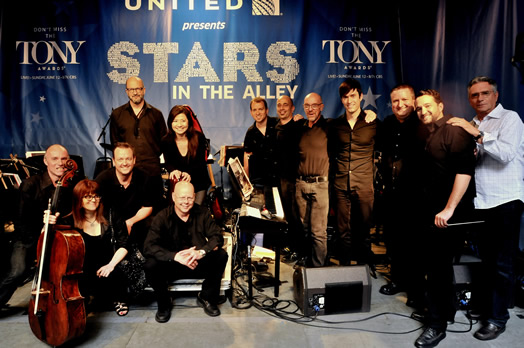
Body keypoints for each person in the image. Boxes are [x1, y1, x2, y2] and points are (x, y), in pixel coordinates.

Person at [447, 76, 523, 341]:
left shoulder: (509, 119)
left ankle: (498, 318)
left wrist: (477, 134)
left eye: (484, 93)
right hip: (481, 202)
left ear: (495, 95)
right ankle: (488, 308)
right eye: (474, 95)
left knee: (501, 264)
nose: (479, 99)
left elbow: (505, 154)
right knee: (487, 262)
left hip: (505, 201)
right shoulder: (472, 123)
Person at [413, 89, 476, 348]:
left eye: (427, 106)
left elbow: (464, 172)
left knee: (438, 269)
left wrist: (449, 209)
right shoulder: (428, 133)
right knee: (436, 267)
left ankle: (437, 326)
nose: (422, 111)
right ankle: (443, 312)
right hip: (433, 212)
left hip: (448, 215)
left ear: (440, 105)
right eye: (419, 108)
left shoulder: (454, 129)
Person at [0, 145, 77, 309]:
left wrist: (60, 221)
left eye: (64, 159)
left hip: (58, 237)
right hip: (29, 237)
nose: (60, 163)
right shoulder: (30, 185)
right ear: (45, 161)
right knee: (18, 271)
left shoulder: (72, 184)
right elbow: (20, 222)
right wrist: (41, 236)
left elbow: (75, 216)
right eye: (55, 159)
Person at [143, 181, 227, 322]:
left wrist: (201, 252)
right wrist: (174, 256)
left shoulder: (203, 213)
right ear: (174, 196)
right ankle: (164, 303)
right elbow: (148, 246)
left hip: (197, 263)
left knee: (221, 255)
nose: (186, 202)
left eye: (189, 198)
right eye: (182, 198)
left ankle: (207, 297)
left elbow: (217, 237)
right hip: (172, 265)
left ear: (194, 197)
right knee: (150, 265)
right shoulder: (162, 217)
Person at [47, 179, 130, 315]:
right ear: (78, 199)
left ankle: (118, 298)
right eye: (87, 196)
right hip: (82, 269)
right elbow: (51, 243)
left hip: (108, 266)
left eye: (96, 196)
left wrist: (111, 265)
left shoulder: (111, 215)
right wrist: (47, 225)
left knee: (117, 272)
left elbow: (124, 244)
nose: (93, 200)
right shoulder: (69, 221)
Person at [377, 85, 426, 309]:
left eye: (404, 100)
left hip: (415, 196)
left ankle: (416, 290)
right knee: (393, 240)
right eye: (395, 100)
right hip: (391, 193)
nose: (399, 104)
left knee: (415, 245)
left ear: (413, 100)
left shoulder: (424, 123)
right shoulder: (386, 123)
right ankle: (397, 280)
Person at [328, 78, 377, 270]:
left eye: (353, 96)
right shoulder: (335, 125)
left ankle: (364, 268)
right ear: (341, 100)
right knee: (342, 230)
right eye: (346, 97)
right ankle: (345, 268)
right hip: (340, 184)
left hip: (364, 184)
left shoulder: (372, 123)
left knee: (364, 229)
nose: (350, 101)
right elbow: (331, 152)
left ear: (361, 96)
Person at [95, 142, 162, 252]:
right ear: (114, 161)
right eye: (120, 159)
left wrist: (131, 222)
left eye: (128, 159)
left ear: (134, 160)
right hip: (110, 224)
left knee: (151, 224)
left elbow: (147, 207)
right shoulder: (102, 179)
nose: (125, 163)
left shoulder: (144, 178)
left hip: (135, 223)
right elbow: (95, 206)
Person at [294, 92, 331, 267]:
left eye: (314, 105)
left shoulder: (329, 126)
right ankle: (309, 262)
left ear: (321, 107)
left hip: (320, 185)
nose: (310, 109)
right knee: (306, 229)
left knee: (318, 231)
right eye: (307, 105)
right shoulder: (300, 127)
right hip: (301, 184)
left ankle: (319, 269)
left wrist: (370, 114)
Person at [110, 76, 167, 177]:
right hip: (127, 170)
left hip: (152, 169)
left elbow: (164, 142)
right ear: (127, 92)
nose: (135, 93)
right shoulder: (117, 114)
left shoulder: (156, 114)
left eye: (138, 89)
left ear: (143, 90)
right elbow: (115, 143)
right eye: (131, 89)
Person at [161, 105, 210, 205]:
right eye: (175, 121)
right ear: (170, 123)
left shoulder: (199, 137)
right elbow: (168, 163)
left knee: (195, 215)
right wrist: (173, 170)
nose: (179, 124)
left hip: (198, 183)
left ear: (189, 122)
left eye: (183, 120)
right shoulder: (166, 140)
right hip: (178, 186)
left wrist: (189, 174)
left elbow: (201, 163)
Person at [243, 97, 279, 186]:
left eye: (260, 109)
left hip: (281, 180)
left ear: (266, 110)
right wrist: (246, 183)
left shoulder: (278, 124)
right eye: (254, 110)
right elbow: (247, 157)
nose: (257, 113)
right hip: (261, 182)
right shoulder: (250, 133)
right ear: (251, 112)